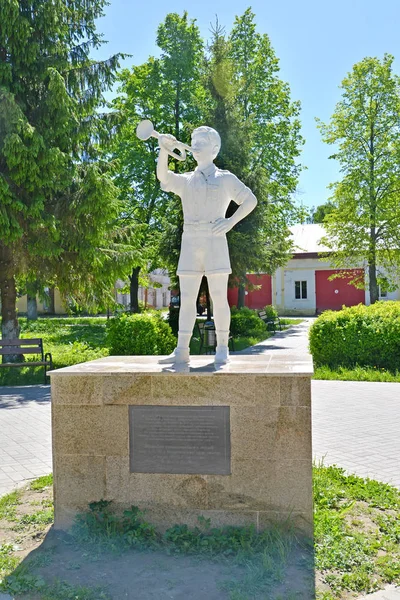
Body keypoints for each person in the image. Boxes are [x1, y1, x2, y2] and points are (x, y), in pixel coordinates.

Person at [157, 126, 257, 365]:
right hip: (190, 241)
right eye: (194, 140)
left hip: (215, 240)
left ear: (215, 149)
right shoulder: (186, 181)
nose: (196, 145)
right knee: (188, 298)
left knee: (219, 297)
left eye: (202, 141)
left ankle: (222, 347)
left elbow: (250, 200)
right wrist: (164, 150)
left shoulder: (225, 178)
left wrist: (231, 222)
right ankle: (182, 349)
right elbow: (164, 177)